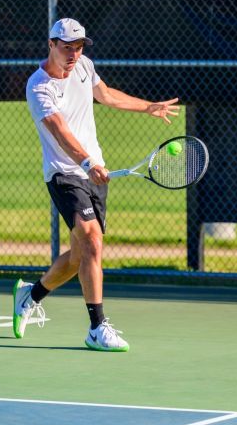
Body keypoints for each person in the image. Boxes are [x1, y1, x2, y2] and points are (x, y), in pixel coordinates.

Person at [14, 18, 180, 351]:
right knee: (92, 240)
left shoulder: (84, 66)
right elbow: (60, 132)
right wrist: (87, 163)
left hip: (93, 172)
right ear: (51, 45)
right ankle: (97, 328)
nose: (74, 53)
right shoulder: (39, 86)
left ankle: (29, 295)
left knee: (79, 257)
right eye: (67, 47)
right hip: (65, 173)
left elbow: (106, 95)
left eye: (78, 47)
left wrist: (148, 107)